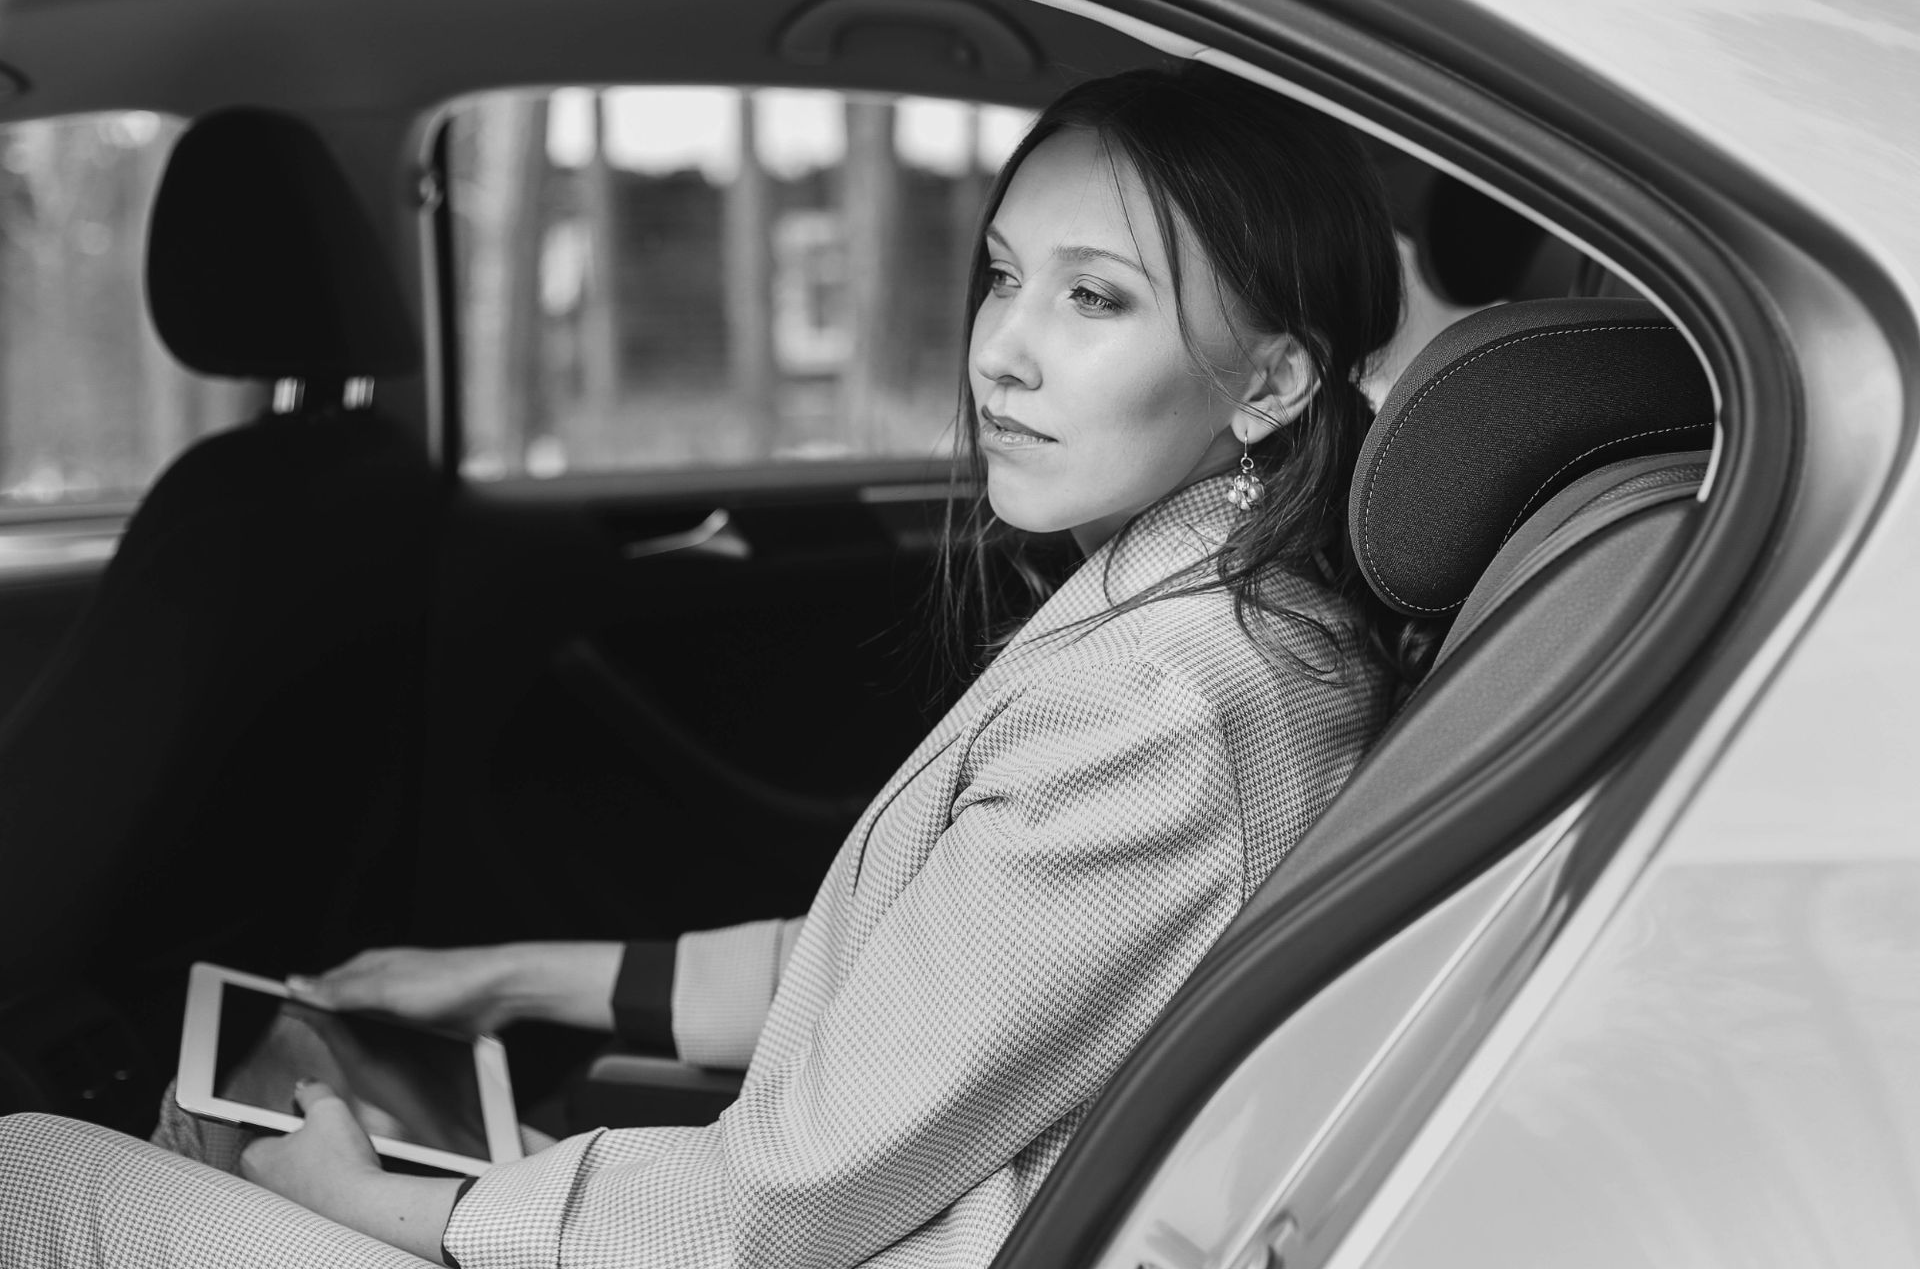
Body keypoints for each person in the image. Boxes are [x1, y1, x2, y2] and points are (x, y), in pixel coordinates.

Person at [0, 63, 1425, 1269]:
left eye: (1095, 299)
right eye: (1003, 278)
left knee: (30, 1175)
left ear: (1271, 382)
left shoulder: (1162, 704)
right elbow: (908, 983)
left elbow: (776, 1203)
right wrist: (503, 979)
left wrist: (395, 1206)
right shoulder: (1222, 621)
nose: (1002, 353)